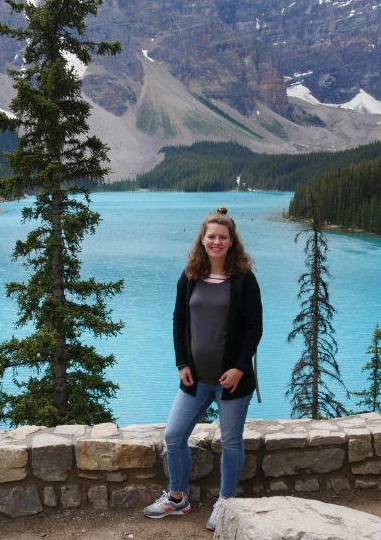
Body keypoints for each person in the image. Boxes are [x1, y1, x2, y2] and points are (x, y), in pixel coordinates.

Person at [142, 207, 263, 531]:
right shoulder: (190, 276)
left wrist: (239, 368)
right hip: (195, 379)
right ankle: (178, 499)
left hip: (232, 382)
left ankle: (224, 505)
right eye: (211, 236)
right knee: (174, 435)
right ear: (203, 239)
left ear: (231, 241)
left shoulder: (244, 281)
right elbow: (179, 320)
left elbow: (254, 329)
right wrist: (181, 363)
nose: (216, 241)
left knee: (232, 442)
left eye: (222, 237)